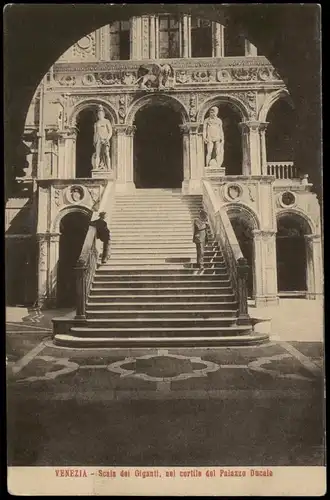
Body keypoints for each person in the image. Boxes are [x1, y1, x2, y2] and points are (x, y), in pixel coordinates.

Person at [93, 105, 112, 170]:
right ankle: (96, 167)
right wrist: (94, 141)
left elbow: (110, 132)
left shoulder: (107, 121)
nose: (99, 115)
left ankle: (109, 168)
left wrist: (107, 139)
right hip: (98, 139)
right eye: (98, 114)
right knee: (97, 154)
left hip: (105, 139)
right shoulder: (96, 123)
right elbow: (95, 133)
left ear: (103, 114)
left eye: (101, 113)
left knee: (107, 153)